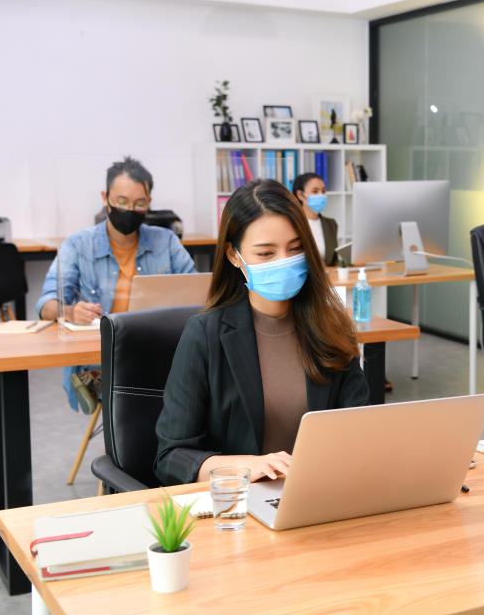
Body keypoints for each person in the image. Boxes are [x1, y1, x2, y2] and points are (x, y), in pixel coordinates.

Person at [154, 179, 369, 485]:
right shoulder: (205, 334)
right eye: (266, 254)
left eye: (295, 249)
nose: (284, 262)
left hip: (324, 493)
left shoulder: (332, 327)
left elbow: (360, 430)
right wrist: (244, 467)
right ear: (233, 255)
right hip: (239, 507)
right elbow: (171, 457)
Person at [37, 156, 195, 412]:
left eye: (139, 203)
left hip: (158, 349)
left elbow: (197, 293)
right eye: (121, 201)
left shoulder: (166, 241)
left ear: (149, 203)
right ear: (105, 197)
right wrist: (70, 311)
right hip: (106, 358)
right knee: (155, 396)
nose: (129, 210)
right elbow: (45, 304)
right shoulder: (78, 245)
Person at [292, 172, 339, 266]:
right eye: (315, 191)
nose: (321, 195)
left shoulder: (331, 224)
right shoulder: (292, 224)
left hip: (327, 278)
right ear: (300, 195)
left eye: (323, 191)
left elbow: (333, 261)